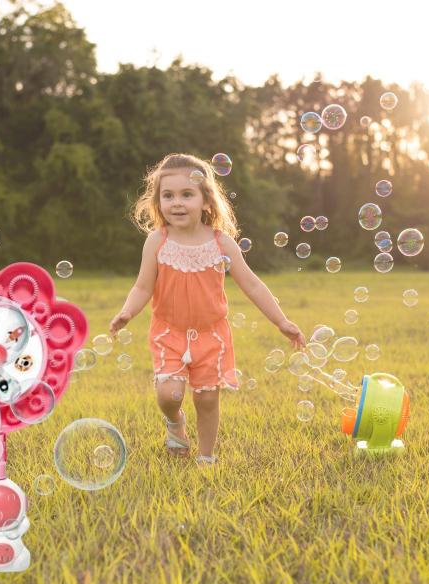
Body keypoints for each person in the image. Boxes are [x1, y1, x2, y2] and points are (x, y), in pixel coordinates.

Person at [109, 153, 306, 467]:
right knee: (169, 395)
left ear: (206, 200)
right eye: (168, 195)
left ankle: (205, 456)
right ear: (158, 202)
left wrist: (281, 321)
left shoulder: (221, 243)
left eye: (187, 194)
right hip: (168, 332)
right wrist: (127, 312)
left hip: (211, 335)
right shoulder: (156, 242)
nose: (177, 202)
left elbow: (252, 285)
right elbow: (142, 287)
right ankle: (175, 423)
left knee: (207, 398)